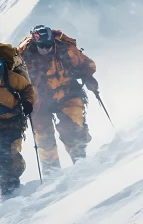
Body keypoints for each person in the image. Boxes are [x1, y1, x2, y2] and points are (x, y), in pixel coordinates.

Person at [18, 26, 99, 172]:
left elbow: (86, 63)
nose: (46, 49)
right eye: (42, 46)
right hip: (38, 101)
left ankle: (80, 161)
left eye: (49, 45)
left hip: (67, 93)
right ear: (36, 43)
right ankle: (52, 173)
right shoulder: (23, 57)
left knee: (73, 127)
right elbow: (17, 81)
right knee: (44, 138)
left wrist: (89, 78)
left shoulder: (65, 50)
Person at [0, 42, 36, 199]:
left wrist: (28, 103)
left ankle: (12, 185)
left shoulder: (11, 77)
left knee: (9, 153)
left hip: (13, 121)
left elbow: (27, 88)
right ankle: (6, 187)